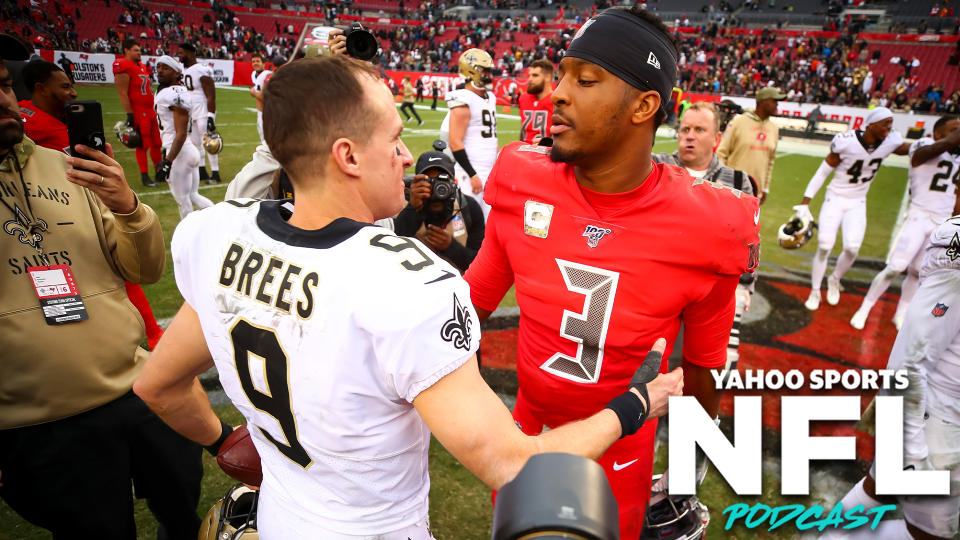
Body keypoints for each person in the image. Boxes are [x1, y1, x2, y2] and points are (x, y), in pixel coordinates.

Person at [132, 54, 683, 539]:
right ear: (348, 156)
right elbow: (515, 465)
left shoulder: (219, 235)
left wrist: (226, 441)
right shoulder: (405, 284)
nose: (404, 155)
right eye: (393, 139)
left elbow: (158, 384)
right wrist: (637, 403)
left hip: (283, 517)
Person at [463, 8, 760, 538]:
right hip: (524, 430)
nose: (557, 93)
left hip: (622, 447)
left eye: (586, 79)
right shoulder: (521, 178)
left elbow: (704, 369)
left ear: (644, 105)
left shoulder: (711, 226)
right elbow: (463, 313)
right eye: (561, 75)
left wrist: (688, 470)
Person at [0, 49, 202, 539]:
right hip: (41, 423)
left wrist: (130, 207)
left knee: (183, 511)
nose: (3, 100)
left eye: (4, 86)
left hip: (137, 390)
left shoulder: (67, 167)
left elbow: (146, 268)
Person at [823, 215, 960, 540]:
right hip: (937, 415)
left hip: (936, 412)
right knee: (930, 534)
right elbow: (911, 359)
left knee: (877, 490)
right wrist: (911, 450)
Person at [18, 60, 166, 350]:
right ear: (41, 88)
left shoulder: (35, 118)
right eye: (64, 86)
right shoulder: (29, 126)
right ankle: (148, 336)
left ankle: (147, 335)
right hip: (52, 224)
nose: (72, 93)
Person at [652, 101, 758, 377]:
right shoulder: (655, 166)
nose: (689, 135)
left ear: (717, 139)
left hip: (709, 292)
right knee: (649, 367)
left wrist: (746, 285)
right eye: (685, 129)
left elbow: (748, 243)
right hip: (656, 285)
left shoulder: (738, 181)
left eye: (699, 129)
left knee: (704, 371)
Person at [794, 107, 911, 311]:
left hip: (858, 201)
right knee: (824, 245)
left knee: (852, 248)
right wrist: (805, 202)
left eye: (891, 123)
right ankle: (814, 290)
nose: (890, 127)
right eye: (886, 123)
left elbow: (915, 150)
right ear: (872, 124)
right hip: (835, 198)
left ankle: (834, 279)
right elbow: (822, 173)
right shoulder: (846, 141)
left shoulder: (890, 142)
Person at [850, 116, 960, 330]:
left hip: (942, 222)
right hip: (918, 216)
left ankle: (901, 313)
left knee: (919, 271)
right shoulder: (925, 143)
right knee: (895, 267)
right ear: (938, 133)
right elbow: (921, 156)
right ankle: (865, 307)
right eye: (954, 129)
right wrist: (952, 139)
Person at [392, 142, 485, 273]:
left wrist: (451, 247)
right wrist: (413, 208)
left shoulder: (468, 207)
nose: (437, 189)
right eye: (429, 182)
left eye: (442, 182)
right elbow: (389, 253)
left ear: (454, 183)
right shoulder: (400, 205)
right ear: (416, 182)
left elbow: (481, 265)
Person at [153, 55, 213, 219]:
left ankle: (187, 239)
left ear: (177, 74)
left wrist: (168, 161)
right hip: (186, 150)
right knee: (193, 195)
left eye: (166, 68)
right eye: (159, 67)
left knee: (183, 201)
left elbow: (180, 133)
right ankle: (218, 219)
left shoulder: (173, 94)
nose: (160, 71)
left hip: (179, 151)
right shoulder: (170, 91)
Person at [442, 48, 498, 220]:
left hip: (488, 171)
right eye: (485, 71)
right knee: (468, 221)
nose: (489, 75)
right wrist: (472, 174)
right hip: (470, 173)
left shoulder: (490, 97)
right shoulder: (463, 99)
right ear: (471, 70)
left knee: (489, 224)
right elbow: (455, 142)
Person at [716, 86, 785, 205]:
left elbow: (770, 162)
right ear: (762, 101)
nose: (777, 105)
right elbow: (721, 153)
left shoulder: (774, 128)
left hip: (755, 193)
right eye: (774, 101)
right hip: (732, 189)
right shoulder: (738, 122)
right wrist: (720, 183)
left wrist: (765, 188)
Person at [113, 38, 162, 188]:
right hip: (139, 111)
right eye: (136, 50)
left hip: (150, 110)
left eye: (139, 50)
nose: (139, 53)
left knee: (157, 143)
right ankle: (145, 176)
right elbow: (122, 92)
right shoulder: (122, 65)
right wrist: (129, 113)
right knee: (143, 144)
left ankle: (159, 171)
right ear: (126, 51)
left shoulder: (141, 66)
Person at [178, 42, 220, 184]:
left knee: (209, 142)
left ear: (190, 53)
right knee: (195, 143)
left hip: (202, 110)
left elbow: (211, 94)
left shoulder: (201, 69)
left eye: (181, 53)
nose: (179, 56)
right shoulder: (183, 70)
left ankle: (215, 173)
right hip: (191, 111)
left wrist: (211, 116)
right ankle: (202, 171)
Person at [518, 58, 554, 144]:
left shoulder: (557, 101)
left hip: (547, 154)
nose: (530, 79)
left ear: (547, 77)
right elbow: (523, 131)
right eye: (529, 75)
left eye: (535, 75)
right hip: (525, 152)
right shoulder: (523, 98)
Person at [249, 53, 272, 146]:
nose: (255, 63)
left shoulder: (267, 76)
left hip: (267, 114)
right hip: (260, 113)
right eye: (253, 61)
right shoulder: (254, 75)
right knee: (264, 143)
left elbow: (267, 98)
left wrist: (253, 93)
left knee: (267, 144)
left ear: (264, 64)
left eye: (258, 61)